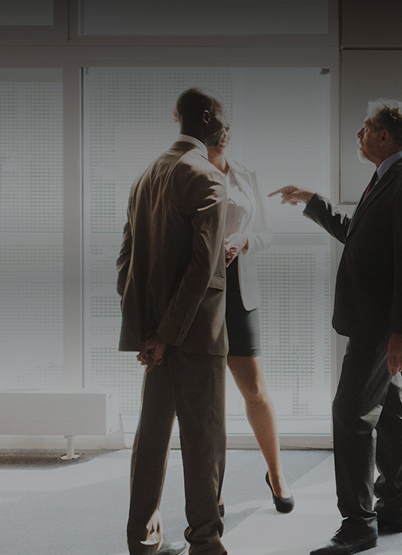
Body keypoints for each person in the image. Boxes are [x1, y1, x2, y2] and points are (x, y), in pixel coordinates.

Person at [271, 99, 402, 555]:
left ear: (384, 136)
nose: (358, 136)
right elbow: (357, 233)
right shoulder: (388, 177)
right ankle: (394, 507)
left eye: (365, 129)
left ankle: (359, 524)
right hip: (374, 321)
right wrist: (312, 201)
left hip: (380, 327)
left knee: (349, 414)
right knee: (390, 410)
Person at [119, 88, 232, 555]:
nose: (226, 127)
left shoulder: (147, 175)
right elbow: (203, 268)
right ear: (206, 118)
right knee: (203, 440)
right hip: (195, 336)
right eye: (223, 118)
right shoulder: (206, 176)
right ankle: (205, 543)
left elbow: (127, 261)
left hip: (158, 337)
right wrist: (167, 335)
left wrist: (148, 332)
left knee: (152, 438)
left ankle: (142, 540)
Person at [205, 133, 294, 517]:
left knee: (255, 391)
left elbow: (267, 234)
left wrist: (242, 240)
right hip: (200, 297)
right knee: (208, 399)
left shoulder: (245, 174)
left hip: (239, 296)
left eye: (227, 126)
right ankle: (212, 488)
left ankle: (276, 475)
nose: (223, 134)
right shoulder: (186, 171)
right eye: (215, 126)